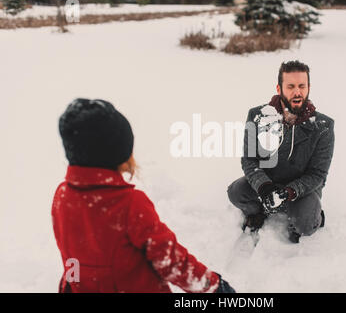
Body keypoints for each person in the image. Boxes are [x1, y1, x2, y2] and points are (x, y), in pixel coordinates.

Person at [52, 98, 235, 293]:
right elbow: (170, 260)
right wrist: (213, 286)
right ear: (119, 153)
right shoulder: (129, 204)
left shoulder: (62, 197)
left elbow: (71, 260)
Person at [227, 61, 335, 243]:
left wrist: (290, 192)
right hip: (267, 183)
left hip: (301, 191)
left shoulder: (323, 126)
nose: (297, 92)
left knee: (306, 224)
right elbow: (249, 161)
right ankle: (259, 211)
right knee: (236, 192)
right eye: (290, 86)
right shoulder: (257, 116)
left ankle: (311, 216)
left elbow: (318, 174)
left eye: (302, 86)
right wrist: (264, 187)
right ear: (279, 88)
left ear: (309, 88)